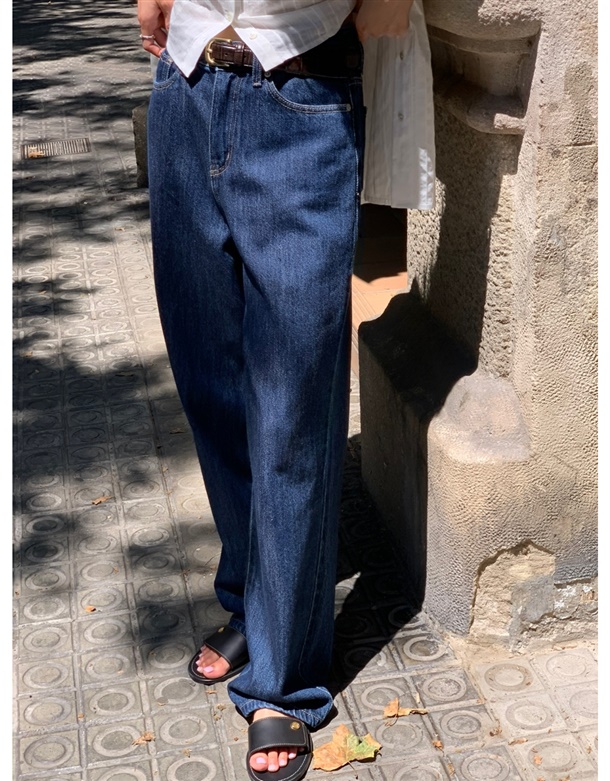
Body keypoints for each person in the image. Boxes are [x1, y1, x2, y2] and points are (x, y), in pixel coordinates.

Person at [136, 2, 417, 780]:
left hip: (303, 94)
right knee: (211, 387)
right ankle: (250, 600)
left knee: (292, 412)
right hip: (184, 87)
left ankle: (283, 679)